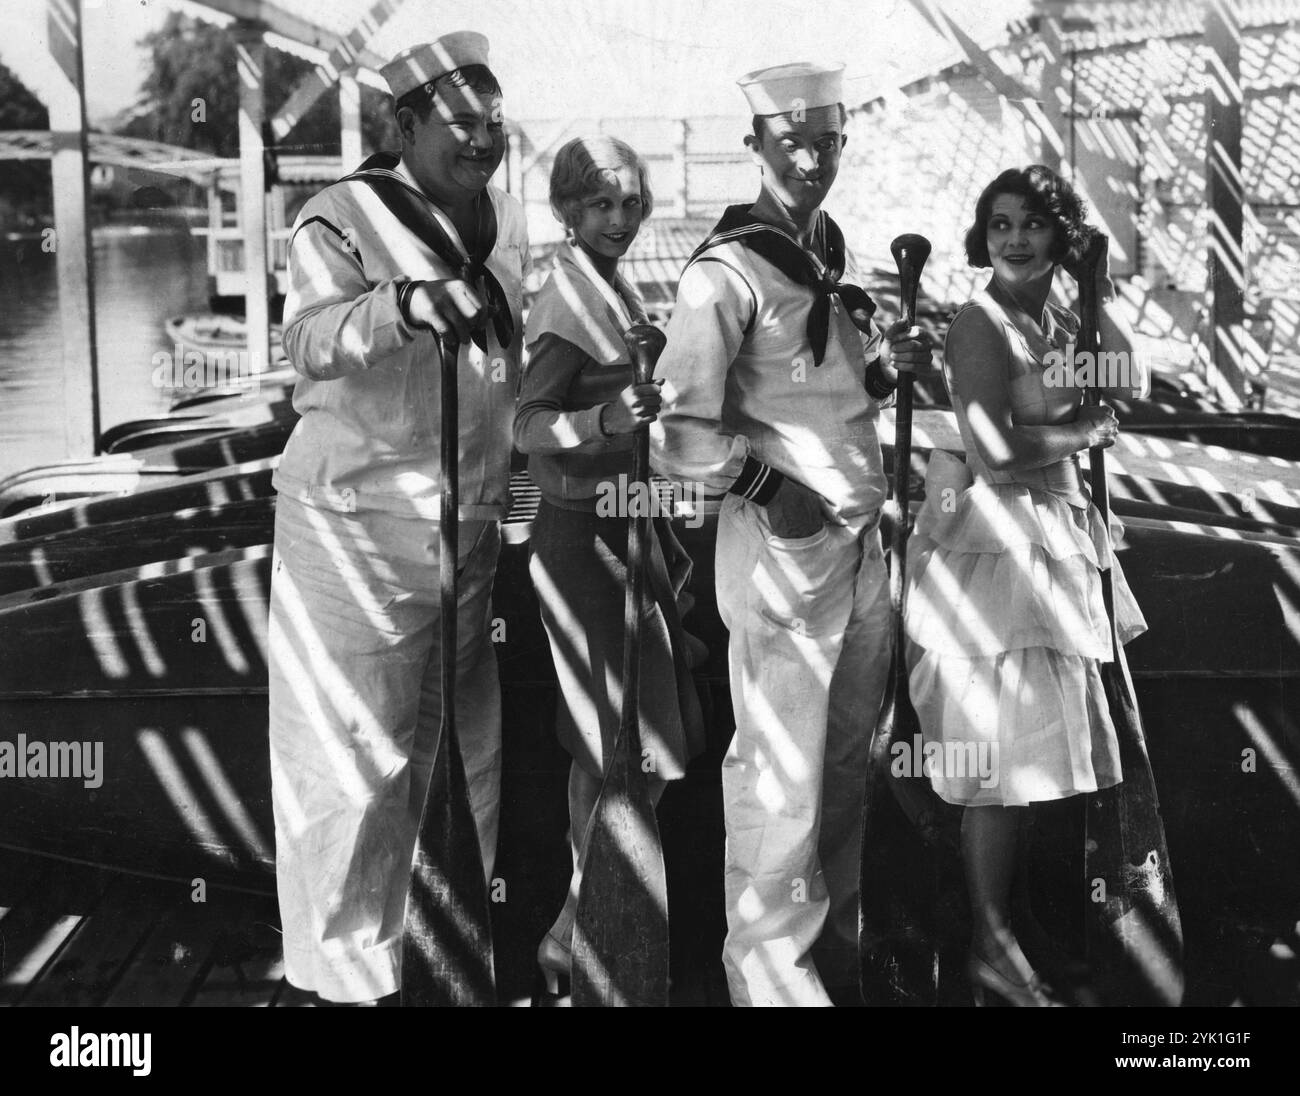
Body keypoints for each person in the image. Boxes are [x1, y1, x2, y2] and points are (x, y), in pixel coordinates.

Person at [649, 61, 935, 1007]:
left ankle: (832, 958)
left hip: (858, 546)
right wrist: (777, 489)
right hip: (786, 551)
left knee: (846, 767)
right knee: (780, 776)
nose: (812, 158)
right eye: (792, 142)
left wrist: (885, 374)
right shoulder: (724, 271)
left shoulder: (825, 251)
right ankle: (771, 982)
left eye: (828, 141)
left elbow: (816, 389)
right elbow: (676, 432)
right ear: (757, 147)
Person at [266, 32, 528, 1004]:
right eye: (459, 121)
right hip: (357, 539)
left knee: (466, 753)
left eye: (493, 121)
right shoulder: (336, 218)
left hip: (462, 538)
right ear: (405, 125)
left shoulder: (491, 222)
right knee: (351, 772)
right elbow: (310, 338)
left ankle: (438, 965)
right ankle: (341, 984)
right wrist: (404, 306)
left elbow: (502, 376)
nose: (481, 138)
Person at [902, 165, 1149, 1006]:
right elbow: (998, 455)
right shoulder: (979, 324)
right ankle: (989, 944)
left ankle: (1009, 924)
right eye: (999, 223)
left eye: (1033, 225)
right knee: (1001, 764)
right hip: (994, 552)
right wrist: (1083, 431)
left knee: (1036, 758)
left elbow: (1128, 378)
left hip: (1051, 542)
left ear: (1059, 235)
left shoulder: (1056, 316)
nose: (1012, 238)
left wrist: (1093, 287)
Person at [514, 136, 707, 1001]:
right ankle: (580, 926)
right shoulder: (565, 299)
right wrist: (603, 420)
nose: (621, 220)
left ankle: (576, 926)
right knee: (618, 744)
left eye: (631, 204)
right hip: (581, 542)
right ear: (566, 211)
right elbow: (528, 428)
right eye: (602, 205)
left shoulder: (610, 285)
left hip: (626, 534)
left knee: (629, 747)